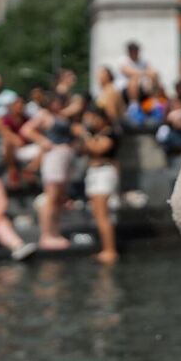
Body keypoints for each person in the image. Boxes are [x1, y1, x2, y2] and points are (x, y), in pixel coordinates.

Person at [20, 94, 82, 251]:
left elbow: (77, 105)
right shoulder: (44, 115)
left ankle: (54, 232)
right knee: (51, 197)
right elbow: (26, 130)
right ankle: (46, 235)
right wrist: (42, 141)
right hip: (54, 156)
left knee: (59, 198)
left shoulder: (62, 115)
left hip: (64, 157)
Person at [75, 105, 121, 264]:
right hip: (94, 173)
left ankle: (110, 250)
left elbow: (98, 148)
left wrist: (84, 134)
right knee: (97, 214)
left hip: (104, 173)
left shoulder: (111, 133)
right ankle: (105, 248)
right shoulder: (95, 134)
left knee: (102, 215)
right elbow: (82, 150)